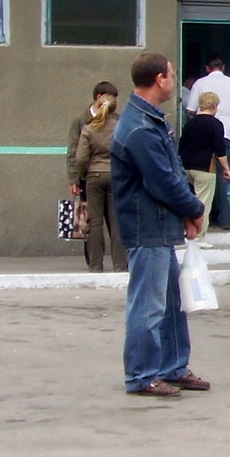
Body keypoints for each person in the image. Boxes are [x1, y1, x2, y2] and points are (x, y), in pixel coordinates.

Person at [111, 51, 210, 398]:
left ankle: (173, 367)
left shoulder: (150, 120)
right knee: (148, 306)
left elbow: (173, 172)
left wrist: (185, 211)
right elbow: (162, 180)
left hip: (160, 226)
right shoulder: (139, 128)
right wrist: (195, 208)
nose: (174, 78)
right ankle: (141, 375)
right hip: (147, 228)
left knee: (170, 303)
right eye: (171, 74)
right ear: (160, 80)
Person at [67, 81, 120, 268]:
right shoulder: (82, 121)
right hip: (112, 175)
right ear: (99, 97)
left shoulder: (90, 127)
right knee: (114, 221)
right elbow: (73, 151)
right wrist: (75, 178)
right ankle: (118, 265)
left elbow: (79, 156)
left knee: (95, 221)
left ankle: (96, 266)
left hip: (93, 176)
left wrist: (84, 174)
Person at [185, 55, 230, 229]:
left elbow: (190, 109)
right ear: (223, 67)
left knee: (201, 177)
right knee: (224, 178)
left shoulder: (199, 84)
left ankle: (197, 220)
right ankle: (225, 219)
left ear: (207, 68)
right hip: (228, 133)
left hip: (202, 138)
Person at [177, 91, 230, 250]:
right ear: (214, 106)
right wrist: (226, 168)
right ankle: (199, 236)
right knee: (203, 203)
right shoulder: (216, 124)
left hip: (187, 167)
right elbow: (220, 149)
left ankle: (187, 232)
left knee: (188, 201)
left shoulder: (190, 123)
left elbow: (181, 145)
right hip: (205, 168)